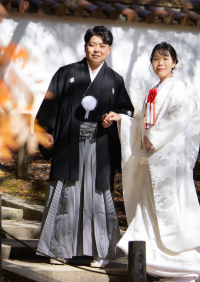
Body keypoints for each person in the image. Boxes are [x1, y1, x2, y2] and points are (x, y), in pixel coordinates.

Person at [102, 42, 200, 282]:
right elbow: (144, 123)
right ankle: (152, 262)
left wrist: (153, 137)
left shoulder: (178, 90)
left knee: (175, 210)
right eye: (155, 59)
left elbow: (178, 118)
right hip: (152, 160)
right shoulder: (154, 91)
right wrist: (124, 119)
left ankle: (182, 267)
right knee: (148, 209)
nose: (160, 63)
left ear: (175, 62)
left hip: (170, 164)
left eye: (165, 58)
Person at [35, 25, 135, 267]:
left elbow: (127, 110)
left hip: (99, 145)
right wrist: (44, 133)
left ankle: (101, 251)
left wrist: (115, 117)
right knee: (66, 194)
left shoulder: (115, 80)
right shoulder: (66, 73)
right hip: (69, 144)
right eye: (92, 44)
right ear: (85, 47)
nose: (96, 49)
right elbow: (49, 106)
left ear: (109, 50)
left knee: (98, 197)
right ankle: (59, 249)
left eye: (102, 45)